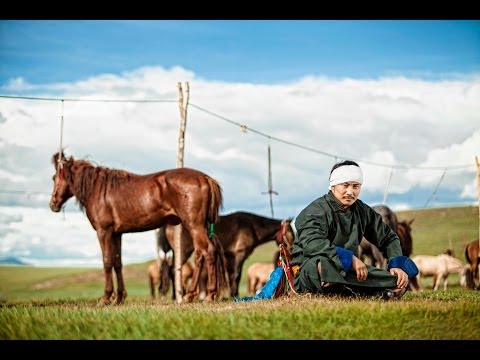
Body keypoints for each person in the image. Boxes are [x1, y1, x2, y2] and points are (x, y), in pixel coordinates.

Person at [291, 160, 418, 299]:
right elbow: (312, 243)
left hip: (349, 272)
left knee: (399, 279)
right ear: (333, 185)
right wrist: (350, 259)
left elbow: (388, 237)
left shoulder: (362, 211)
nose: (350, 192)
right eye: (345, 185)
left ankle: (372, 290)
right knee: (324, 266)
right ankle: (374, 291)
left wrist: (397, 264)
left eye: (356, 186)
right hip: (309, 271)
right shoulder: (315, 211)